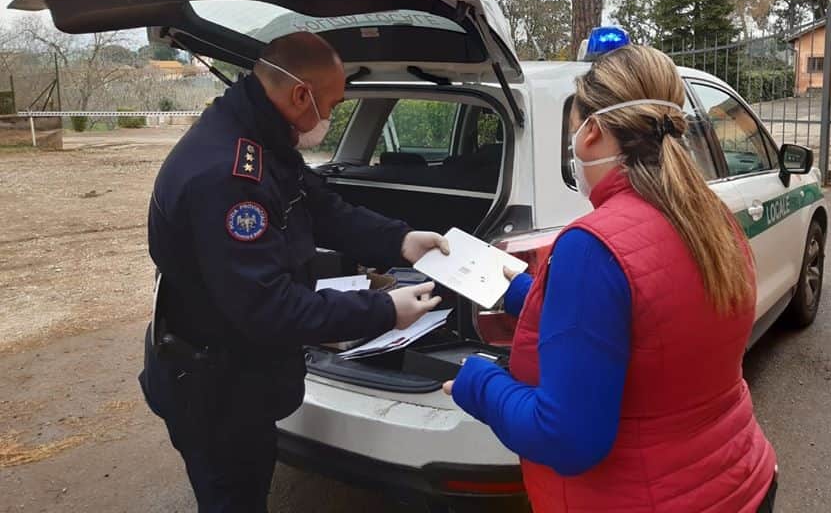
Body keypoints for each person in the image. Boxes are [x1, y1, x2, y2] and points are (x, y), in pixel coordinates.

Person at [445, 45, 778, 512]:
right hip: (742, 481)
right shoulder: (709, 217)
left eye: (572, 131)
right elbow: (652, 321)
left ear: (592, 132)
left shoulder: (593, 246)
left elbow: (567, 438)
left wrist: (476, 381)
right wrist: (523, 292)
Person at [140, 31, 448, 512]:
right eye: (331, 104)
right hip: (213, 388)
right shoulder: (227, 176)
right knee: (233, 497)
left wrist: (400, 240)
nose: (331, 117)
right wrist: (384, 310)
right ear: (301, 95)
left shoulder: (260, 135)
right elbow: (269, 308)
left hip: (239, 372)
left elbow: (320, 206)